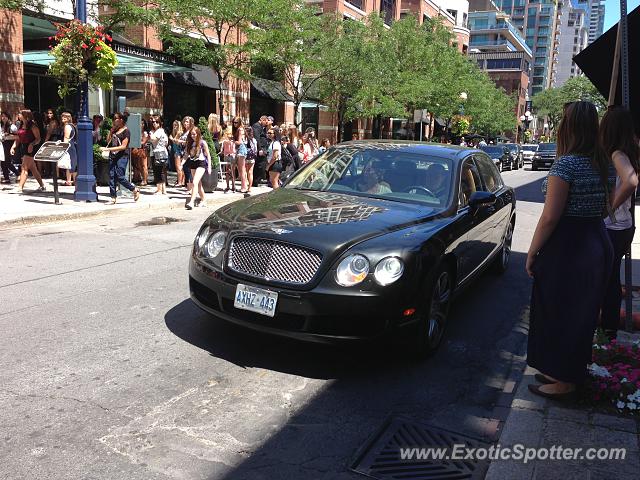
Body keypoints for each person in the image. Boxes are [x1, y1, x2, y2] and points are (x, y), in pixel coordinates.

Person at [526, 101, 615, 400]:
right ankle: (559, 370)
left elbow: (550, 217)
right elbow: (606, 207)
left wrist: (531, 252)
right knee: (580, 312)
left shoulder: (566, 165)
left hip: (569, 246)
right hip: (596, 240)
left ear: (569, 127)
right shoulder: (604, 163)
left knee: (559, 311)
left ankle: (565, 382)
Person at [600, 106, 640, 337]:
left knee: (604, 282)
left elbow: (631, 181)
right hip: (623, 227)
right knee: (611, 280)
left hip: (612, 228)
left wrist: (609, 208)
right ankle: (608, 332)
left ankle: (606, 333)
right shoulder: (629, 152)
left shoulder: (616, 154)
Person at [101, 112, 140, 204]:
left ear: (121, 120)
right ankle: (113, 197)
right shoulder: (115, 130)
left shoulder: (126, 131)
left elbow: (123, 146)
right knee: (111, 176)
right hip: (113, 156)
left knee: (120, 176)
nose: (114, 120)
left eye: (115, 118)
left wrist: (107, 149)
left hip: (122, 156)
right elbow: (108, 141)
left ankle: (134, 189)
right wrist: (111, 131)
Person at [11, 110, 45, 193]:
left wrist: (32, 144)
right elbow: (18, 137)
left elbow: (38, 138)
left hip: (31, 148)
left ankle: (20, 187)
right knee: (33, 169)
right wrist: (13, 146)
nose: (18, 115)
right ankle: (42, 186)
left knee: (24, 168)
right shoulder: (21, 125)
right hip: (23, 147)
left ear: (25, 115)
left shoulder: (33, 126)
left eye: (20, 114)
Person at [184, 127, 211, 209]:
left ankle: (191, 202)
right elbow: (186, 155)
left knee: (194, 182)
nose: (193, 136)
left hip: (201, 163)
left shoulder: (202, 143)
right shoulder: (190, 143)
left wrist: (209, 167)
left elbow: (208, 155)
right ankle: (204, 200)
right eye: (191, 134)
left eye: (194, 134)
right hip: (193, 163)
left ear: (198, 134)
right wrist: (182, 163)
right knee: (198, 184)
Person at [149, 115, 169, 195]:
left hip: (158, 153)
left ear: (160, 123)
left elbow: (154, 139)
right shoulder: (163, 131)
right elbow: (166, 143)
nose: (154, 123)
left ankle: (159, 190)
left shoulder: (159, 131)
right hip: (161, 152)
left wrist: (150, 135)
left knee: (158, 171)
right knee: (162, 171)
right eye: (153, 122)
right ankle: (163, 189)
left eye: (156, 122)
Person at [59, 110, 77, 186]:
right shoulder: (72, 125)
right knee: (73, 163)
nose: (63, 117)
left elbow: (66, 138)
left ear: (69, 118)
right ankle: (74, 181)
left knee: (69, 163)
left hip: (69, 146)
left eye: (65, 116)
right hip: (72, 146)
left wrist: (63, 148)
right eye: (62, 116)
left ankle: (69, 181)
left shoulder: (67, 126)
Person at [1, 112, 19, 183]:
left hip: (9, 145)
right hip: (3, 145)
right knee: (3, 162)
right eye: (2, 116)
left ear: (8, 117)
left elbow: (17, 137)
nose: (3, 118)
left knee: (7, 162)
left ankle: (17, 173)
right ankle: (6, 178)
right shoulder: (2, 125)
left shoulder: (12, 126)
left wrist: (7, 135)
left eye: (5, 116)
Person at [252, 115, 269, 187]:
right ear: (262, 120)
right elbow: (257, 138)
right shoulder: (257, 126)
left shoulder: (261, 127)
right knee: (260, 165)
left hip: (263, 148)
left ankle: (257, 180)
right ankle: (255, 181)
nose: (266, 123)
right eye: (266, 122)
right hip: (260, 148)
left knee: (261, 165)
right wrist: (260, 149)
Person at [131, 118, 149, 185]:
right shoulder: (136, 132)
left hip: (142, 150)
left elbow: (143, 142)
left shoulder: (145, 133)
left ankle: (145, 180)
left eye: (143, 123)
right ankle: (137, 178)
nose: (141, 125)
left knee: (144, 165)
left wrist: (135, 143)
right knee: (137, 165)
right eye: (140, 123)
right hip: (136, 150)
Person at [179, 116, 195, 191]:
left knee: (189, 172)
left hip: (189, 153)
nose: (185, 123)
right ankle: (188, 188)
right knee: (186, 171)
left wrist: (181, 142)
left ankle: (191, 189)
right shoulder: (183, 132)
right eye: (184, 121)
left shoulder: (191, 131)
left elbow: (191, 142)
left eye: (187, 122)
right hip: (183, 152)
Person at [232, 117, 248, 193]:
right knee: (242, 169)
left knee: (241, 170)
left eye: (236, 122)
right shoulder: (242, 129)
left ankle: (244, 187)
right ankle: (244, 186)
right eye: (234, 122)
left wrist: (232, 140)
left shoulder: (240, 129)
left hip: (241, 149)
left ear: (239, 122)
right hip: (242, 150)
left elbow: (240, 142)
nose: (234, 124)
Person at [169, 120, 184, 187]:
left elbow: (174, 140)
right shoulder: (174, 132)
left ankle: (180, 182)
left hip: (178, 151)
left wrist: (172, 138)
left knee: (178, 167)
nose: (174, 127)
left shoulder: (179, 132)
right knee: (179, 167)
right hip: (175, 150)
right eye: (173, 125)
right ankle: (181, 181)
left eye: (176, 125)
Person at [221, 128, 237, 192]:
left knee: (228, 171)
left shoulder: (224, 141)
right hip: (231, 156)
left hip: (227, 156)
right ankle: (233, 186)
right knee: (232, 171)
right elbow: (234, 150)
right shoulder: (232, 141)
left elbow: (222, 150)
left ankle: (228, 186)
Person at [244, 127, 257, 196]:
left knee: (245, 172)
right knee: (250, 172)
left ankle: (245, 186)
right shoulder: (254, 140)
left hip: (245, 157)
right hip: (252, 158)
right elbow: (255, 150)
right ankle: (249, 187)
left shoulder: (244, 140)